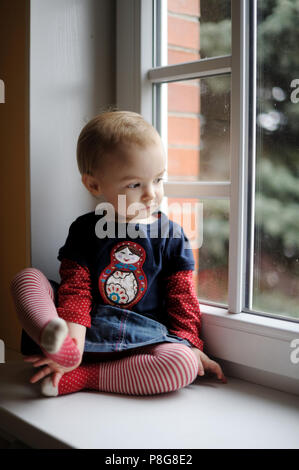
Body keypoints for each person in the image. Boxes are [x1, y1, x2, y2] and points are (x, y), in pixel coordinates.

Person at [10, 110, 226, 397]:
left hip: (140, 340)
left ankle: (84, 377)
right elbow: (75, 290)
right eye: (135, 184)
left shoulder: (172, 236)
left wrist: (190, 344)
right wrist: (72, 341)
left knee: (182, 364)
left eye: (158, 180)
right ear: (94, 185)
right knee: (28, 278)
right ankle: (52, 337)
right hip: (81, 329)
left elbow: (182, 300)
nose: (152, 194)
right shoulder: (86, 230)